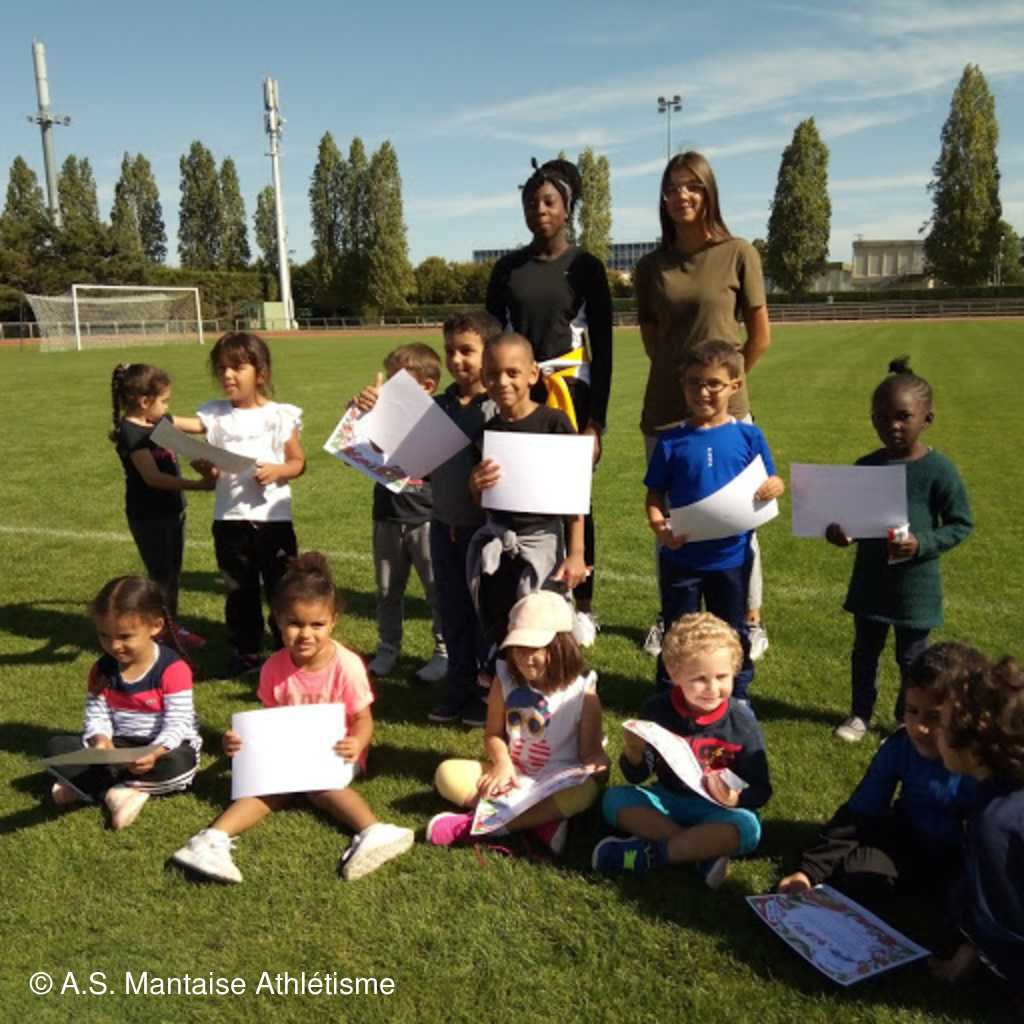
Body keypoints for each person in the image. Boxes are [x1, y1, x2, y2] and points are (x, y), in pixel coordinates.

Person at [171, 552, 414, 884]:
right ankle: (210, 840)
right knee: (269, 786)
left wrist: (357, 743)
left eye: (317, 625)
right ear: (278, 620)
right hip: (290, 752)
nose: (306, 634)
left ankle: (374, 830)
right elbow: (271, 721)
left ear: (334, 620)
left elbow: (363, 719)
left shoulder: (347, 666)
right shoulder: (273, 668)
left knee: (318, 786)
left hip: (338, 752)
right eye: (295, 623)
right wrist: (240, 741)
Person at [634, 152, 771, 660]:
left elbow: (759, 336)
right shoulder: (651, 267)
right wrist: (687, 390)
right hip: (666, 410)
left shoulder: (738, 253)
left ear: (709, 191)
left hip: (727, 415)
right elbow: (654, 340)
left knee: (740, 517)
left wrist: (723, 391)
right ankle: (671, 617)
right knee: (669, 521)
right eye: (672, 188)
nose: (681, 196)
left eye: (692, 186)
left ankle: (750, 620)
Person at [486, 158, 612, 645]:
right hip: (517, 393)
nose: (539, 210)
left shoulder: (586, 267)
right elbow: (491, 336)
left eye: (549, 202)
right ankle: (521, 591)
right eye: (531, 203)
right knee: (518, 495)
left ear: (566, 208)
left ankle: (584, 605)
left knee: (575, 498)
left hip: (568, 394)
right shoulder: (506, 269)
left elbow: (604, 349)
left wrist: (594, 422)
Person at [828, 356, 972, 742]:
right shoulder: (866, 466)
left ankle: (904, 719)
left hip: (915, 586)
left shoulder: (939, 470)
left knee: (912, 658)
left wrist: (923, 543)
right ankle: (859, 714)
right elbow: (855, 521)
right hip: (871, 581)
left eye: (903, 416)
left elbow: (960, 523)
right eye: (882, 417)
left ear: (927, 419)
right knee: (865, 652)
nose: (892, 425)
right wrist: (844, 534)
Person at [777, 642, 983, 904]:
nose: (919, 727)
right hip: (910, 837)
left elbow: (998, 842)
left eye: (933, 717)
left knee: (967, 899)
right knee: (857, 877)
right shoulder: (900, 746)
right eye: (912, 711)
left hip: (965, 853)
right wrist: (808, 871)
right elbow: (860, 812)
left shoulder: (984, 763)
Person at [644, 340, 784, 699]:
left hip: (731, 558)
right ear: (683, 385)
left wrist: (776, 485)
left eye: (713, 384)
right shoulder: (672, 441)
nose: (702, 392)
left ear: (734, 386)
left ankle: (737, 697)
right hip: (681, 558)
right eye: (694, 383)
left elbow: (771, 481)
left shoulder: (748, 435)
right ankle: (670, 698)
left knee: (733, 633)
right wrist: (660, 527)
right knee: (677, 635)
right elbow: (655, 495)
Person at [592, 612, 771, 889]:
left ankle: (651, 855)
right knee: (614, 800)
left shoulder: (742, 722)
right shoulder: (657, 710)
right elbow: (638, 776)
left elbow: (761, 789)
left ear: (735, 671)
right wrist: (634, 750)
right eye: (699, 678)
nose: (712, 688)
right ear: (674, 673)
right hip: (668, 800)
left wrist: (734, 798)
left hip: (717, 809)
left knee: (749, 828)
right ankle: (701, 852)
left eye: (722, 677)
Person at [427, 590, 609, 853]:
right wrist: (502, 763)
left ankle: (485, 826)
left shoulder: (583, 693)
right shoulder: (504, 681)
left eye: (533, 649)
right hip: (513, 776)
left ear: (561, 646)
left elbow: (590, 753)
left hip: (557, 782)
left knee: (586, 791)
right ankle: (540, 822)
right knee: (447, 773)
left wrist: (599, 765)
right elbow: (493, 735)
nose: (524, 658)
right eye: (518, 648)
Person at [467, 332, 588, 667]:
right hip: (498, 543)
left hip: (543, 542)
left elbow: (575, 494)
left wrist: (577, 553)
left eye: (512, 372)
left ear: (533, 374)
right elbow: (483, 502)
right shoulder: (486, 432)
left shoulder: (554, 422)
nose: (502, 382)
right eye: (493, 374)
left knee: (547, 621)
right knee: (504, 622)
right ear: (483, 378)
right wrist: (474, 486)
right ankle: (504, 684)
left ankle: (558, 684)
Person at [45, 576, 201, 830]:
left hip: (162, 748)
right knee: (56, 748)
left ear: (155, 626)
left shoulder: (172, 669)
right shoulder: (102, 669)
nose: (114, 646)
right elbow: (96, 713)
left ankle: (95, 787)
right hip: (119, 746)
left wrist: (155, 752)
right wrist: (100, 739)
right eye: (104, 635)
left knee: (182, 763)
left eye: (125, 636)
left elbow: (179, 722)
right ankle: (121, 790)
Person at [196, 331, 306, 677]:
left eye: (237, 367)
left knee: (281, 588)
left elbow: (298, 462)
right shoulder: (215, 414)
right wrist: (207, 469)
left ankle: (286, 648)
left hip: (273, 521)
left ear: (261, 373)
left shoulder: (279, 415)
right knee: (239, 590)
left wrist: (278, 470)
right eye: (221, 368)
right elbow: (185, 430)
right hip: (229, 520)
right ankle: (246, 651)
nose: (227, 375)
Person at [930, 656, 1024, 1021]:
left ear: (973, 744)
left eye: (943, 725)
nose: (935, 734)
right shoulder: (999, 790)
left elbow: (1004, 925)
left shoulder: (997, 824)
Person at [350, 343, 448, 683]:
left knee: (437, 593)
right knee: (387, 591)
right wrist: (358, 413)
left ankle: (444, 652)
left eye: (398, 383)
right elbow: (354, 445)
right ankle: (388, 648)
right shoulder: (383, 412)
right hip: (387, 517)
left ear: (426, 387)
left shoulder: (438, 420)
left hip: (426, 518)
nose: (389, 391)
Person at [425, 310, 502, 726]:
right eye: (450, 350)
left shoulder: (499, 408)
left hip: (484, 531)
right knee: (452, 611)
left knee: (484, 617)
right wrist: (367, 414)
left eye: (467, 351)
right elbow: (407, 462)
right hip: (443, 526)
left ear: (488, 352)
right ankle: (458, 687)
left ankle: (486, 692)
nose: (456, 360)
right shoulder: (435, 408)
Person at [109, 362, 216, 647]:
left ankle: (169, 626)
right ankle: (160, 629)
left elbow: (200, 425)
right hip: (149, 516)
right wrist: (199, 485)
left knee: (173, 572)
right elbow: (153, 478)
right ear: (145, 402)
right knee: (161, 576)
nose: (167, 406)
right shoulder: (131, 433)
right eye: (164, 400)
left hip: (174, 509)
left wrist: (235, 412)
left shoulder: (158, 421)